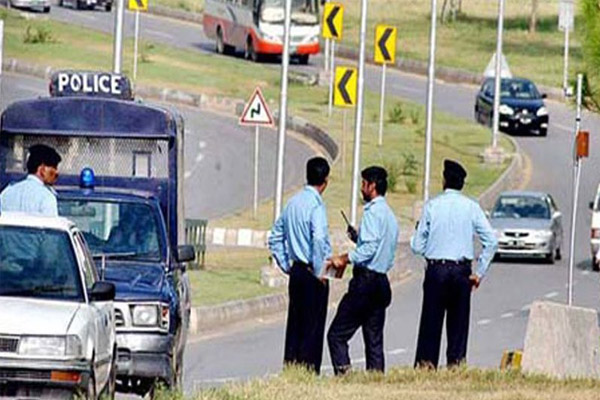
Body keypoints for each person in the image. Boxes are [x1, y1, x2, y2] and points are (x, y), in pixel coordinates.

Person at [411, 159, 498, 369]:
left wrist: (432, 249)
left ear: (444, 181)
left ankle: (426, 364)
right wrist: (479, 272)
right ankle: (456, 364)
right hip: (461, 271)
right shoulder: (471, 207)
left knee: (431, 321)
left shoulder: (432, 205)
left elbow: (416, 245)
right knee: (458, 324)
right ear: (462, 184)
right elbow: (491, 241)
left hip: (437, 269)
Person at [326, 166, 399, 375]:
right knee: (374, 340)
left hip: (365, 283)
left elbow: (369, 249)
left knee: (337, 335)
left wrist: (344, 258)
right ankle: (375, 383)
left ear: (372, 186)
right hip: (381, 282)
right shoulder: (390, 216)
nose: (362, 189)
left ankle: (345, 377)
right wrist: (358, 238)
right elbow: (382, 248)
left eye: (364, 184)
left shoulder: (373, 212)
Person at [268, 156, 332, 374]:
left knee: (295, 324)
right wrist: (319, 271)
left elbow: (275, 237)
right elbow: (319, 240)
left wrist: (286, 265)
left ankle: (292, 370)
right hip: (313, 272)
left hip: (297, 271)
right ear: (325, 181)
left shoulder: (292, 203)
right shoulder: (316, 207)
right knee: (313, 328)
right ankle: (307, 372)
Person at [0, 144, 62, 217]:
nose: (57, 172)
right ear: (42, 169)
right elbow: (51, 226)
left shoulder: (7, 192)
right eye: (54, 167)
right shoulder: (46, 197)